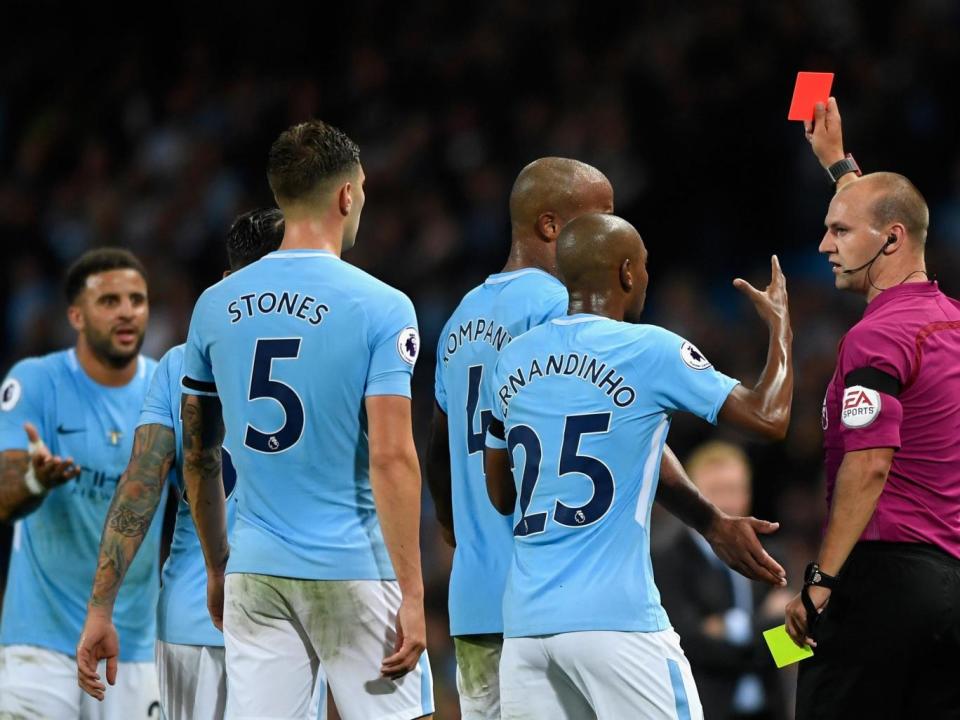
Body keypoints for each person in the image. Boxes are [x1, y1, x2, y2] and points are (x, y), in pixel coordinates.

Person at [427, 158, 787, 719]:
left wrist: (455, 526)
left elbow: (442, 445)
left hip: (491, 603)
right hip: (593, 606)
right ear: (556, 230)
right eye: (603, 216)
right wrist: (712, 520)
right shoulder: (562, 309)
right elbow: (617, 429)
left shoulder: (459, 320)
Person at [180, 120, 434, 720]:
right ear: (347, 194)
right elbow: (392, 456)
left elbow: (199, 454)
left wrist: (218, 566)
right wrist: (415, 593)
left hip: (255, 570)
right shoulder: (381, 304)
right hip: (354, 568)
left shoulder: (213, 307)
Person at [75, 209, 329, 720]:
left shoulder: (178, 363)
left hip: (193, 616)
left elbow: (140, 487)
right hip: (290, 613)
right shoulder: (330, 353)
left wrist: (101, 608)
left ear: (225, 282)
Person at [784, 97, 960, 718]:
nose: (824, 244)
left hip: (878, 582)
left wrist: (822, 583)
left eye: (838, 232)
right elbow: (884, 208)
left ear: (891, 240)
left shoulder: (875, 337)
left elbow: (870, 465)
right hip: (949, 591)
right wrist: (839, 165)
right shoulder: (949, 323)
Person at [0, 248, 163, 718]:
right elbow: (5, 499)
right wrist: (35, 479)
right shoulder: (36, 382)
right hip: (41, 643)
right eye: (109, 301)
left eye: (137, 299)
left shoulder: (165, 392)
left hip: (133, 647)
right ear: (76, 315)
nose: (127, 311)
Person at [654, 441, 790, 720]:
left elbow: (795, 644)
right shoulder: (667, 558)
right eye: (716, 492)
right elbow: (687, 644)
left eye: (735, 490)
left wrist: (727, 627)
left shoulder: (771, 558)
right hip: (705, 710)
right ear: (693, 498)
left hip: (769, 711)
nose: (727, 502)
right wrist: (762, 628)